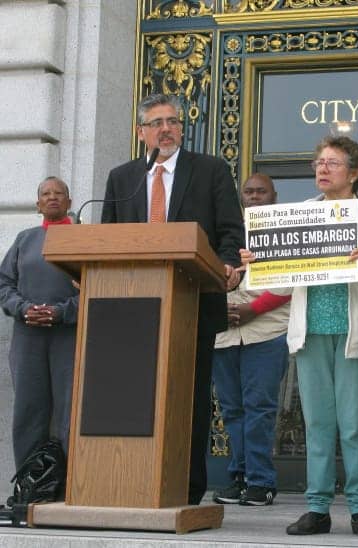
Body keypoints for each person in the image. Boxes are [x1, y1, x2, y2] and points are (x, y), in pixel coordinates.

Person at [101, 93, 244, 505]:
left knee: (189, 399)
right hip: (132, 308)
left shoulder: (211, 170)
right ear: (141, 132)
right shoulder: (122, 178)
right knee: (134, 397)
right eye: (156, 122)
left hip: (192, 303)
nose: (165, 128)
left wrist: (229, 267)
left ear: (182, 128)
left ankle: (188, 488)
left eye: (172, 121)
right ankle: (131, 480)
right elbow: (108, 237)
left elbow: (230, 232)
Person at [241, 136, 358, 537]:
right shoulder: (299, 215)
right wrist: (258, 262)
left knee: (354, 425)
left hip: (354, 333)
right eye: (319, 162)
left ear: (354, 172)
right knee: (316, 424)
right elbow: (282, 283)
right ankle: (317, 508)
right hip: (311, 332)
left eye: (332, 163)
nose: (322, 169)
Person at [212, 173, 291, 506]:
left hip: (266, 331)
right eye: (249, 191)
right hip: (225, 334)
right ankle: (239, 476)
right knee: (232, 410)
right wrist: (220, 309)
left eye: (261, 191)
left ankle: (261, 482)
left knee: (259, 409)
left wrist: (251, 310)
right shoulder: (224, 231)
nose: (255, 196)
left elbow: (291, 282)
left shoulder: (285, 230)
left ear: (274, 195)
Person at [0, 176, 79, 470]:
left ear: (69, 203)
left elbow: (98, 288)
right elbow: (4, 283)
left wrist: (62, 312)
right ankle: (29, 483)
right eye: (46, 194)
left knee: (69, 411)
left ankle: (68, 484)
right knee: (29, 410)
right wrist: (23, 309)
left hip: (69, 336)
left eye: (59, 193)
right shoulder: (25, 239)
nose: (53, 197)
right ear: (37, 205)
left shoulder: (85, 237)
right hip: (28, 336)